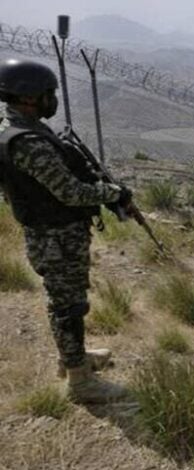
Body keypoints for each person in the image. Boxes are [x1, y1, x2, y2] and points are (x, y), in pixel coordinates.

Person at [0, 59, 131, 403]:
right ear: (29, 97)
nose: (52, 99)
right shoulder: (28, 143)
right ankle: (80, 382)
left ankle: (74, 359)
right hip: (55, 237)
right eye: (48, 93)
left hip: (55, 234)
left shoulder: (20, 131)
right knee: (68, 308)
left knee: (68, 302)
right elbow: (70, 192)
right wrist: (113, 193)